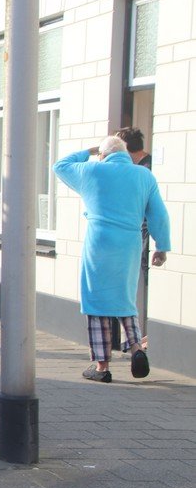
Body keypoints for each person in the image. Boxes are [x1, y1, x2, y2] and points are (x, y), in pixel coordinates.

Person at [53, 135, 170, 382]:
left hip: (99, 243)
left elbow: (60, 166)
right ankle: (137, 348)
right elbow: (159, 214)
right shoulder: (144, 176)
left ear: (103, 155)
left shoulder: (93, 170)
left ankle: (101, 367)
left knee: (96, 302)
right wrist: (162, 247)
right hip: (129, 243)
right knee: (125, 299)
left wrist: (89, 150)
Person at [115, 126, 153, 349]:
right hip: (139, 233)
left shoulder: (146, 170)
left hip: (146, 233)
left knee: (147, 282)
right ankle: (140, 337)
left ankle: (145, 337)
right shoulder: (138, 168)